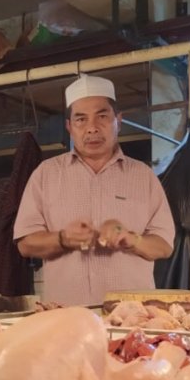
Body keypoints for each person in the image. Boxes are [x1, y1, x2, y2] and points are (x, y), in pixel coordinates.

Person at [14, 74, 175, 306]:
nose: (92, 128)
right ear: (69, 127)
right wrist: (63, 238)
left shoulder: (143, 176)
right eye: (81, 119)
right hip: (66, 315)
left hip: (132, 316)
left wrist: (131, 238)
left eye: (102, 116)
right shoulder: (46, 174)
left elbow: (164, 246)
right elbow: (25, 244)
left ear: (118, 120)